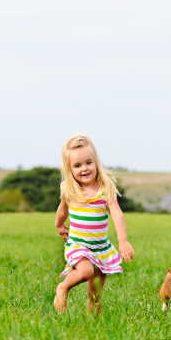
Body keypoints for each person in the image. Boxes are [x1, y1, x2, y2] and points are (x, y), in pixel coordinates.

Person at [53, 134, 135, 313]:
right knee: (85, 271)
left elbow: (117, 215)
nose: (84, 168)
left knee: (95, 292)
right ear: (69, 169)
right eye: (77, 165)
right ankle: (63, 288)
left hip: (100, 247)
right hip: (78, 245)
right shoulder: (69, 189)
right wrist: (59, 225)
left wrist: (123, 241)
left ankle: (94, 320)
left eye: (88, 163)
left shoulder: (105, 188)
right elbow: (62, 211)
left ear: (96, 162)